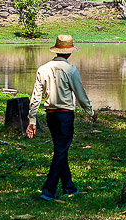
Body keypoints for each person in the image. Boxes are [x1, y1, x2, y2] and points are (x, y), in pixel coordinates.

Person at [26, 35, 96, 201]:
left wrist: (32, 119)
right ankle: (48, 190)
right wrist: (90, 112)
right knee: (61, 150)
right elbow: (81, 95)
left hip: (50, 115)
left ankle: (68, 186)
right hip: (65, 115)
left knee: (60, 149)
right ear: (69, 53)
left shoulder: (42, 69)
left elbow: (36, 96)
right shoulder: (71, 70)